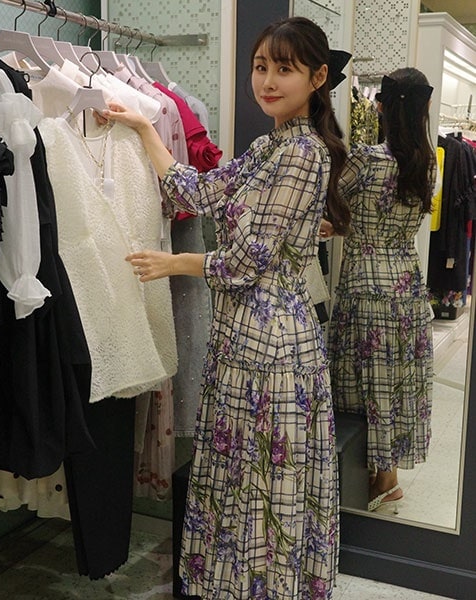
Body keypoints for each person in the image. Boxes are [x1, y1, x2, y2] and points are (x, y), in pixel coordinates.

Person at [100, 16, 351, 598]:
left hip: (275, 346)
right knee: (242, 477)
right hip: (242, 337)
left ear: (317, 78)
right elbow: (195, 190)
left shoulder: (304, 153)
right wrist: (145, 126)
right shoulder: (269, 146)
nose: (267, 81)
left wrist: (174, 263)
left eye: (283, 69)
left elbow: (247, 260)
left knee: (262, 479)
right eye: (260, 67)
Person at [326, 67, 436, 513]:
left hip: (366, 289)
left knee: (364, 386)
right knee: (395, 382)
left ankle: (381, 478)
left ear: (382, 107)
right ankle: (386, 475)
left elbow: (329, 203)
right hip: (408, 290)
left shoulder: (367, 159)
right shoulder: (426, 162)